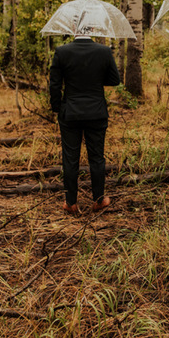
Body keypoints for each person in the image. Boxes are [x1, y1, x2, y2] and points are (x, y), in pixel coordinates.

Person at [49, 34, 121, 215]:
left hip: (70, 112)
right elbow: (114, 80)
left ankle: (71, 202)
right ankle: (98, 200)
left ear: (74, 28)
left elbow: (54, 84)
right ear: (93, 28)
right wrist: (95, 79)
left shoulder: (62, 51)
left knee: (70, 158)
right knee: (97, 157)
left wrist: (57, 108)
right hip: (96, 112)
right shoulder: (104, 51)